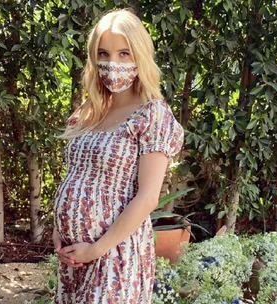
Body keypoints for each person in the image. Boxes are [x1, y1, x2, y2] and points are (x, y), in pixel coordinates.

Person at [52, 8, 184, 304]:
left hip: (114, 255)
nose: (113, 64)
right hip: (74, 256)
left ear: (140, 55)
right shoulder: (87, 113)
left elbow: (148, 198)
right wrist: (58, 233)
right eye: (104, 54)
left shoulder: (152, 114)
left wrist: (96, 249)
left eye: (124, 54)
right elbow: (74, 175)